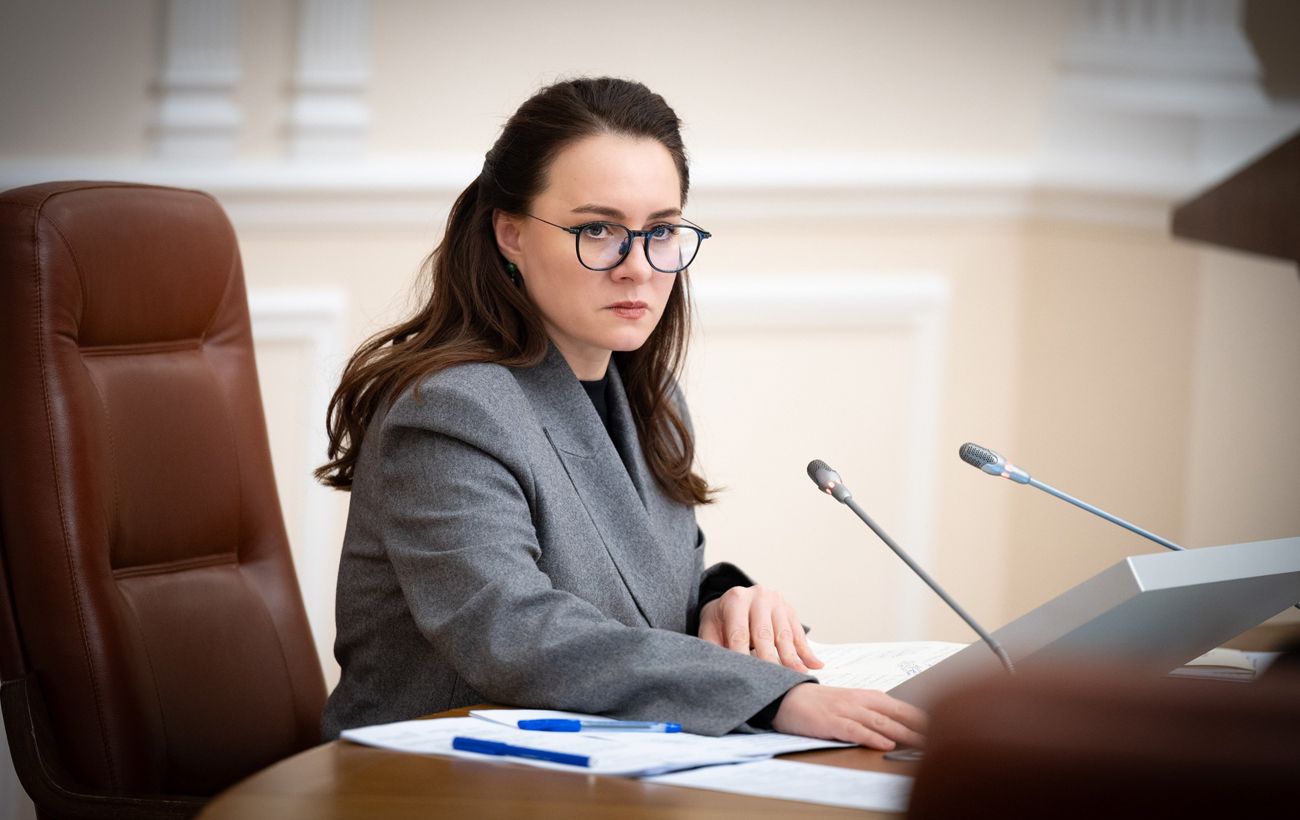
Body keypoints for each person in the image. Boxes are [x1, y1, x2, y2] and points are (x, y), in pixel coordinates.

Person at [315, 77, 926, 749]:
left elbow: (626, 596)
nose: (638, 267)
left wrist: (722, 604)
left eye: (660, 231)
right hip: (434, 779)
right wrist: (772, 697)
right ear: (510, 233)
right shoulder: (451, 411)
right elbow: (514, 632)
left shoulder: (645, 396)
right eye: (598, 230)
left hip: (601, 766)